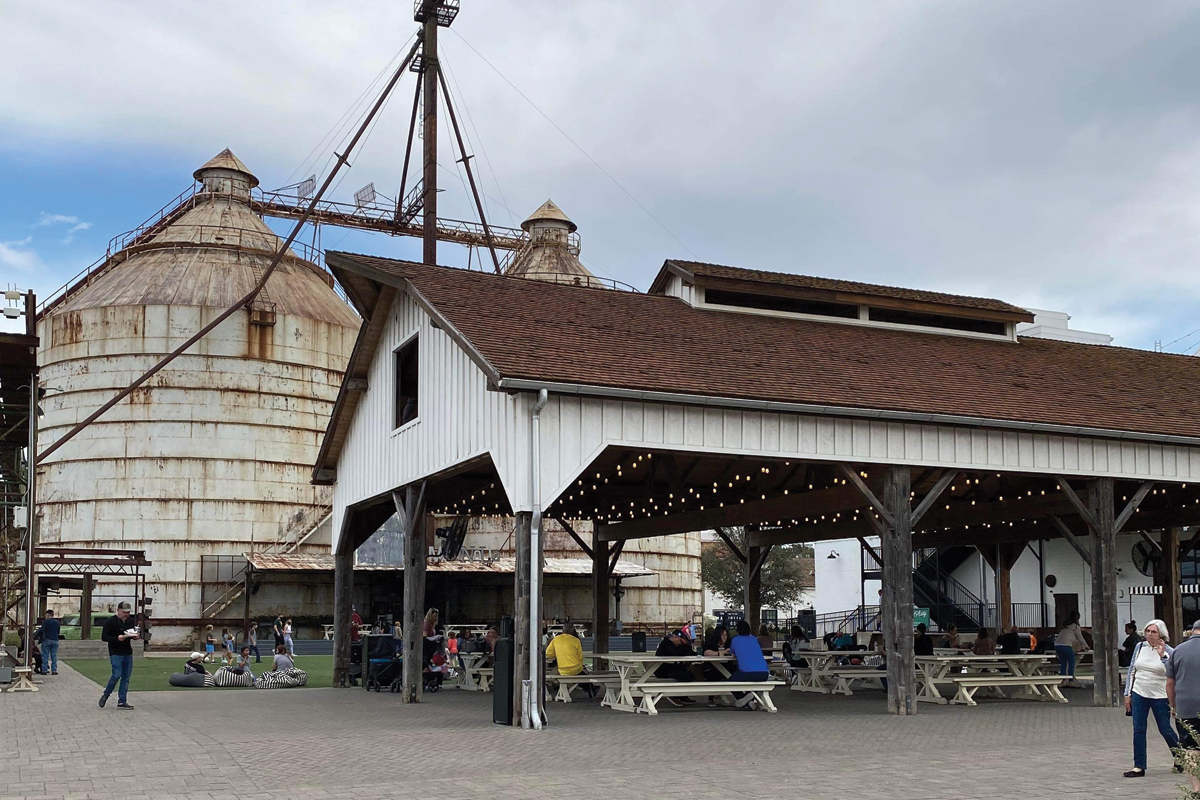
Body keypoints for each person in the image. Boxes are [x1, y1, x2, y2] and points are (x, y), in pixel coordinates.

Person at [1123, 619, 1178, 778]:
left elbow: (1172, 673)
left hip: (1160, 695)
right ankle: (1139, 766)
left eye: (1153, 632)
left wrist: (1162, 656)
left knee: (1165, 728)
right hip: (1139, 692)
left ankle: (1179, 754)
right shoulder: (1140, 647)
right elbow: (1132, 670)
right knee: (1138, 729)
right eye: (1147, 631)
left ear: (1161, 634)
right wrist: (1128, 694)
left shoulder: (1170, 651)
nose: (1150, 635)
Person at [1167, 619, 1200, 795]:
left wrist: (1173, 706)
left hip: (1186, 707)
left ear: (1192, 631)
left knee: (1190, 748)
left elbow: (1170, 683)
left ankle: (1197, 788)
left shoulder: (1178, 650)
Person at [99, 601, 138, 709]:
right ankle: (106, 695)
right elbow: (104, 637)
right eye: (124, 612)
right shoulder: (110, 622)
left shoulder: (130, 621)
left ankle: (122, 701)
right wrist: (117, 638)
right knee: (116, 675)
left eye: (128, 612)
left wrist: (134, 636)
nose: (126, 614)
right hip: (115, 652)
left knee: (126, 677)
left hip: (127, 652)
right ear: (118, 610)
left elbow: (131, 633)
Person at [727, 620, 771, 707]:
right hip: (764, 672)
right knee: (755, 682)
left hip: (747, 672)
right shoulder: (754, 639)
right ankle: (749, 699)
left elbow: (733, 653)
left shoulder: (735, 640)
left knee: (730, 682)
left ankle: (743, 698)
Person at [654, 629, 697, 705]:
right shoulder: (666, 643)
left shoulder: (682, 646)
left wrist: (687, 646)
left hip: (674, 668)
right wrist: (685, 648)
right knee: (686, 675)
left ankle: (682, 696)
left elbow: (690, 653)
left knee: (689, 675)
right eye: (674, 637)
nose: (676, 639)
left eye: (678, 638)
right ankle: (673, 695)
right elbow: (675, 653)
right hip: (662, 669)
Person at [1056, 612, 1085, 685]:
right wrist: (1086, 646)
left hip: (1057, 645)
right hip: (1066, 645)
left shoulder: (1065, 626)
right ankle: (1071, 680)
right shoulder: (1075, 626)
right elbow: (1080, 638)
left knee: (1063, 663)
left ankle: (1063, 680)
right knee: (1071, 662)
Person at [40, 610, 61, 675]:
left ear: (48, 615)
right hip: (55, 640)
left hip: (47, 639)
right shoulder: (57, 622)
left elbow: (42, 630)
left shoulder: (45, 622)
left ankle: (44, 670)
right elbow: (58, 631)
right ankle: (54, 670)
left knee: (45, 655)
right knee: (53, 655)